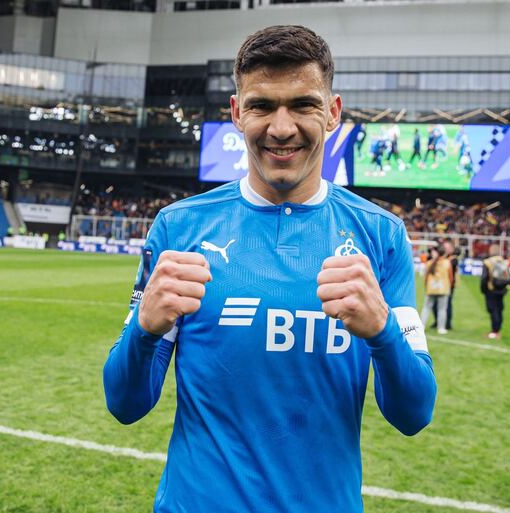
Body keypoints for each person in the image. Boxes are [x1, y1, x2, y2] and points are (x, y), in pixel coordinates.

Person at [103, 25, 436, 513]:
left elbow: (414, 413)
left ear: (333, 113)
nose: (282, 128)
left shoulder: (381, 237)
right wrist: (145, 331)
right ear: (237, 113)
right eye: (261, 106)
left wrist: (384, 331)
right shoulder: (179, 228)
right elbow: (125, 404)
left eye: (303, 104)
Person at [420, 245, 453, 335]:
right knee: (442, 309)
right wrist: (449, 286)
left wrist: (426, 286)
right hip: (443, 289)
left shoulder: (430, 263)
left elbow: (426, 277)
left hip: (431, 289)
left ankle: (422, 326)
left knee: (426, 307)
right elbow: (450, 277)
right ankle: (441, 328)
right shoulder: (447, 263)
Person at [480, 244, 510, 340]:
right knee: (499, 309)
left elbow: (484, 278)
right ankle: (497, 329)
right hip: (501, 289)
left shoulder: (487, 262)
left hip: (491, 290)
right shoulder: (503, 261)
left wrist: (483, 290)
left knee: (493, 310)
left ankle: (494, 331)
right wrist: (506, 288)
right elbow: (508, 276)